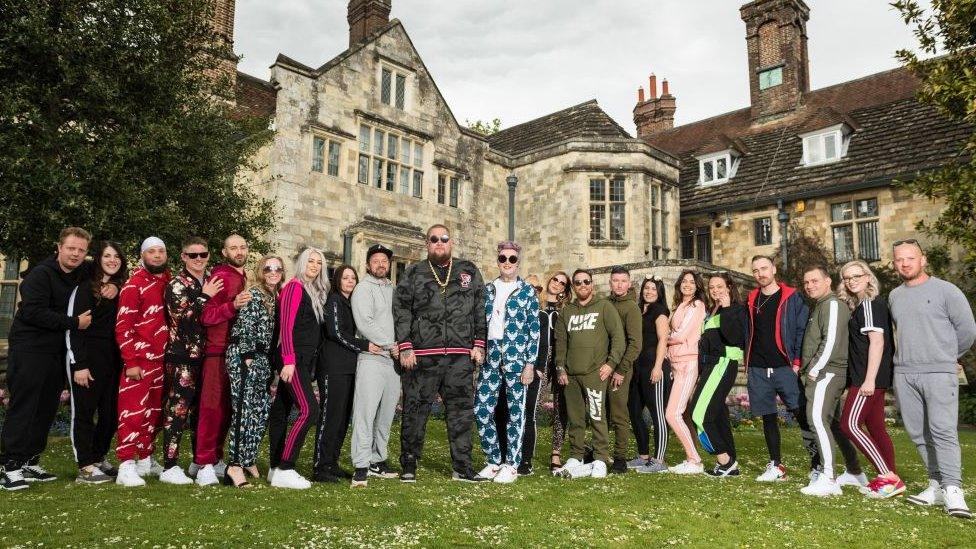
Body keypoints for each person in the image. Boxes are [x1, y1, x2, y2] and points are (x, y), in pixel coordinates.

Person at [394, 224, 488, 483]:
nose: (439, 242)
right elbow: (401, 309)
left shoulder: (468, 270)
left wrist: (479, 343)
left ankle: (462, 467)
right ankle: (409, 464)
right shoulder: (414, 272)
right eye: (433, 239)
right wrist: (405, 345)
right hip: (423, 356)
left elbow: (480, 307)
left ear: (451, 242)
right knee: (415, 410)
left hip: (460, 356)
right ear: (427, 243)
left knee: (461, 412)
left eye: (443, 239)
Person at [889, 240, 976, 519]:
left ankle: (953, 490)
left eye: (910, 258)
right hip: (904, 373)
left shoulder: (946, 291)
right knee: (918, 433)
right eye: (899, 260)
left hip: (939, 372)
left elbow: (967, 330)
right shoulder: (894, 296)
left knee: (943, 431)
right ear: (894, 263)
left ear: (923, 260)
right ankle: (936, 483)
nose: (905, 264)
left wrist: (947, 355)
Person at [836, 260, 904, 498]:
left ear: (868, 277)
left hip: (868, 377)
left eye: (856, 275)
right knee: (876, 428)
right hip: (875, 376)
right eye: (847, 277)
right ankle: (891, 480)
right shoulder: (866, 305)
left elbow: (877, 342)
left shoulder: (869, 304)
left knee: (849, 425)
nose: (851, 280)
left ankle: (887, 476)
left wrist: (869, 380)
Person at [475, 241, 540, 484]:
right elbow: (480, 324)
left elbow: (535, 330)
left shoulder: (527, 292)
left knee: (516, 413)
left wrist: (530, 364)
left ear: (518, 262)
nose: (507, 263)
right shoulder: (488, 290)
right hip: (491, 357)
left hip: (517, 358)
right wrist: (478, 346)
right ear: (498, 260)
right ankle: (493, 460)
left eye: (512, 259)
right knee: (481, 410)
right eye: (503, 258)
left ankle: (511, 464)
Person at [159, 237, 222, 485]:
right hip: (183, 356)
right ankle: (170, 466)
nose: (199, 259)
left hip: (207, 356)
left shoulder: (211, 280)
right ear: (183, 257)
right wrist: (204, 297)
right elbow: (183, 319)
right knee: (178, 411)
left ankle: (200, 461)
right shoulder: (176, 284)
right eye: (193, 255)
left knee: (202, 412)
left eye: (203, 255)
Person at [553, 268, 624, 479]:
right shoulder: (567, 311)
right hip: (571, 375)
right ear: (573, 287)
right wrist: (560, 367)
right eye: (578, 283)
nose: (582, 285)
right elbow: (561, 342)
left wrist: (611, 364)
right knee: (575, 418)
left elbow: (618, 338)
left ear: (592, 284)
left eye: (586, 282)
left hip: (595, 373)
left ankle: (600, 457)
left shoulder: (605, 307)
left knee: (596, 415)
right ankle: (576, 455)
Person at [746, 255, 812, 482]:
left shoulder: (792, 297)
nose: (760, 273)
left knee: (801, 413)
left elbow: (802, 330)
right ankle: (776, 465)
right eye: (755, 270)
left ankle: (818, 465)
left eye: (764, 268)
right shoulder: (752, 298)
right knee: (768, 417)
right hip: (758, 366)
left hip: (784, 366)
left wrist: (796, 362)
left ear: (774, 269)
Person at [65, 241, 127, 484]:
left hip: (113, 359)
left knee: (111, 413)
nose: (112, 260)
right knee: (84, 413)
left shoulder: (119, 288)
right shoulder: (85, 290)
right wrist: (79, 364)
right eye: (107, 256)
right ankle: (85, 466)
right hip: (87, 358)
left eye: (117, 256)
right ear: (98, 259)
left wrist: (116, 286)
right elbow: (74, 330)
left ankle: (99, 456)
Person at [267, 247, 328, 490]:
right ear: (302, 263)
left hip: (300, 359)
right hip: (292, 360)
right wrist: (289, 360)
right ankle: (286, 467)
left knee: (281, 410)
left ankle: (274, 468)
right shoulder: (294, 287)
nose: (314, 266)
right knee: (308, 411)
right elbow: (286, 327)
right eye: (310, 261)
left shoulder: (311, 291)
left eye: (318, 262)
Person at [114, 237, 172, 487]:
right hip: (139, 361)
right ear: (142, 256)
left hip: (162, 360)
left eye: (161, 251)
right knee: (133, 413)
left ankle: (145, 459)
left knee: (154, 413)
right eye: (152, 252)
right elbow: (122, 327)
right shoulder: (133, 285)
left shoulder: (169, 283)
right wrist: (131, 361)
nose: (157, 255)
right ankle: (125, 465)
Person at [224, 255, 284, 488]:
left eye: (278, 268)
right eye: (268, 268)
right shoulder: (254, 294)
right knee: (243, 412)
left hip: (263, 360)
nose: (273, 271)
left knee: (259, 412)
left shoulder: (275, 297)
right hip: (245, 356)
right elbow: (243, 328)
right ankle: (234, 466)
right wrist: (247, 359)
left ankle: (248, 457)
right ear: (261, 271)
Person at [195, 234, 251, 486]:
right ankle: (204, 463)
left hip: (237, 353)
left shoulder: (244, 277)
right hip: (218, 351)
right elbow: (206, 316)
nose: (238, 251)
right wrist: (233, 306)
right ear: (224, 251)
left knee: (228, 410)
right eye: (233, 248)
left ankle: (215, 457)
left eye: (242, 247)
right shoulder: (220, 275)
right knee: (212, 408)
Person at [798, 265, 853, 497]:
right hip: (822, 373)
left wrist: (814, 370)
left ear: (828, 281)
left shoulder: (831, 304)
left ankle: (829, 478)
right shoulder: (820, 305)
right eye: (806, 282)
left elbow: (830, 341)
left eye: (815, 281)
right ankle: (852, 472)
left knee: (817, 420)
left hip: (827, 373)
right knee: (828, 423)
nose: (810, 285)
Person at [312, 264, 371, 483]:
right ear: (337, 280)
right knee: (330, 416)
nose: (349, 281)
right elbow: (335, 332)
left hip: (349, 368)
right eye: (345, 278)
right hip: (332, 367)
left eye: (352, 278)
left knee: (342, 418)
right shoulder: (334, 300)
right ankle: (320, 466)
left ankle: (332, 462)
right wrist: (364, 345)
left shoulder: (351, 303)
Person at [349, 244, 401, 488]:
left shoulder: (393, 289)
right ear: (368, 265)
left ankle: (377, 460)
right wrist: (392, 344)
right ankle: (361, 464)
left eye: (385, 261)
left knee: (385, 415)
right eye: (376, 261)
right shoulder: (362, 289)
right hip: (373, 359)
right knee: (365, 413)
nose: (381, 265)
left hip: (393, 361)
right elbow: (365, 323)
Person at [690, 273, 748, 477]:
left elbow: (734, 338)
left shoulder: (737, 309)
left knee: (699, 414)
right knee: (718, 415)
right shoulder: (713, 309)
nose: (715, 290)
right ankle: (730, 462)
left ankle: (724, 460)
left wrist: (728, 308)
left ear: (729, 287)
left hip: (722, 364)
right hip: (711, 366)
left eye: (719, 286)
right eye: (712, 287)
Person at [492, 273, 546, 476]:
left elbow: (543, 343)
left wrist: (536, 368)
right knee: (502, 412)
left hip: (529, 371)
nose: (531, 291)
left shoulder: (540, 315)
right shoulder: (510, 311)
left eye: (536, 289)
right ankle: (505, 456)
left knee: (526, 415)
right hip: (508, 369)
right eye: (528, 287)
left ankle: (525, 460)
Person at [627, 275, 671, 474]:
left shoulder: (660, 312)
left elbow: (663, 340)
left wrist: (658, 366)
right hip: (637, 369)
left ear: (659, 292)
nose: (649, 291)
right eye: (647, 288)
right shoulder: (638, 311)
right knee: (634, 411)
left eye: (654, 288)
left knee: (657, 414)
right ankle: (643, 455)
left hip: (654, 367)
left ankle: (659, 460)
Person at [665, 269, 707, 474]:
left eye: (691, 282)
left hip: (688, 363)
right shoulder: (680, 305)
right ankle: (692, 457)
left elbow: (681, 335)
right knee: (680, 413)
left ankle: (695, 460)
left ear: (697, 286)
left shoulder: (697, 305)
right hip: (676, 364)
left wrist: (662, 338)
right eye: (684, 281)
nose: (687, 285)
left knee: (672, 414)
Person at [606, 266, 643, 474]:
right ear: (610, 282)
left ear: (628, 284)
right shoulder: (605, 303)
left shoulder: (631, 308)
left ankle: (620, 458)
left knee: (619, 413)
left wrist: (621, 369)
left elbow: (635, 343)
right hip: (603, 366)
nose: (619, 284)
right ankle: (600, 453)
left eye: (623, 281)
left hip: (621, 368)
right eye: (615, 280)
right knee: (600, 412)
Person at [540, 272, 571, 472]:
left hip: (560, 359)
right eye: (555, 280)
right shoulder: (536, 303)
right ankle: (525, 447)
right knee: (533, 404)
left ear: (565, 290)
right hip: (540, 359)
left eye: (562, 284)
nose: (557, 284)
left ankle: (556, 453)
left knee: (561, 407)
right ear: (549, 280)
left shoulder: (566, 309)